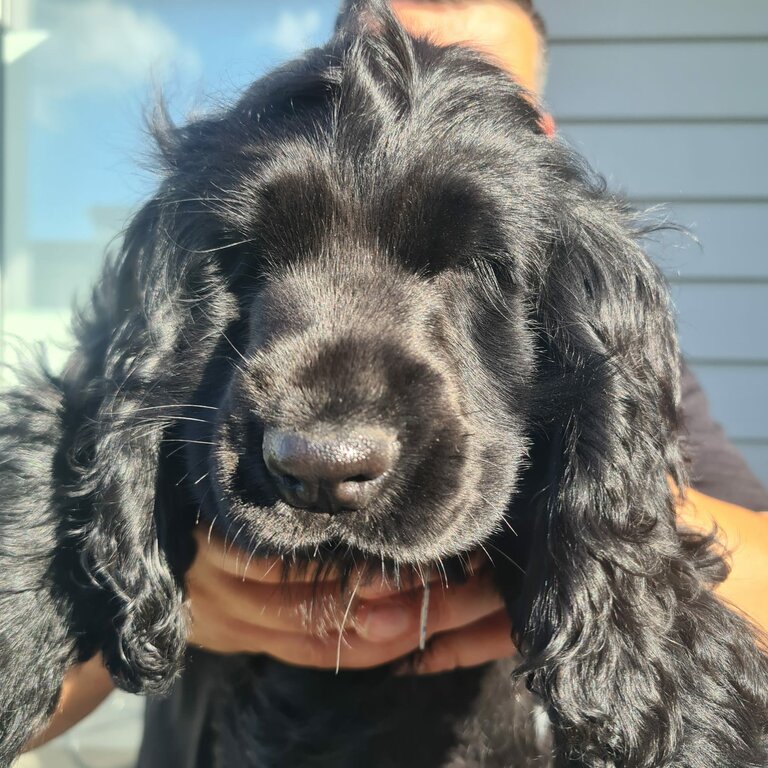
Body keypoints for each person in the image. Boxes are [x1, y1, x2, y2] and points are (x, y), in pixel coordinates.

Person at [26, 0, 768, 760]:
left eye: (483, 88)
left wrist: (582, 549)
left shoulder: (587, 339)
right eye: (383, 57)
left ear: (538, 132)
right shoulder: (189, 306)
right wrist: (178, 608)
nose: (415, 99)